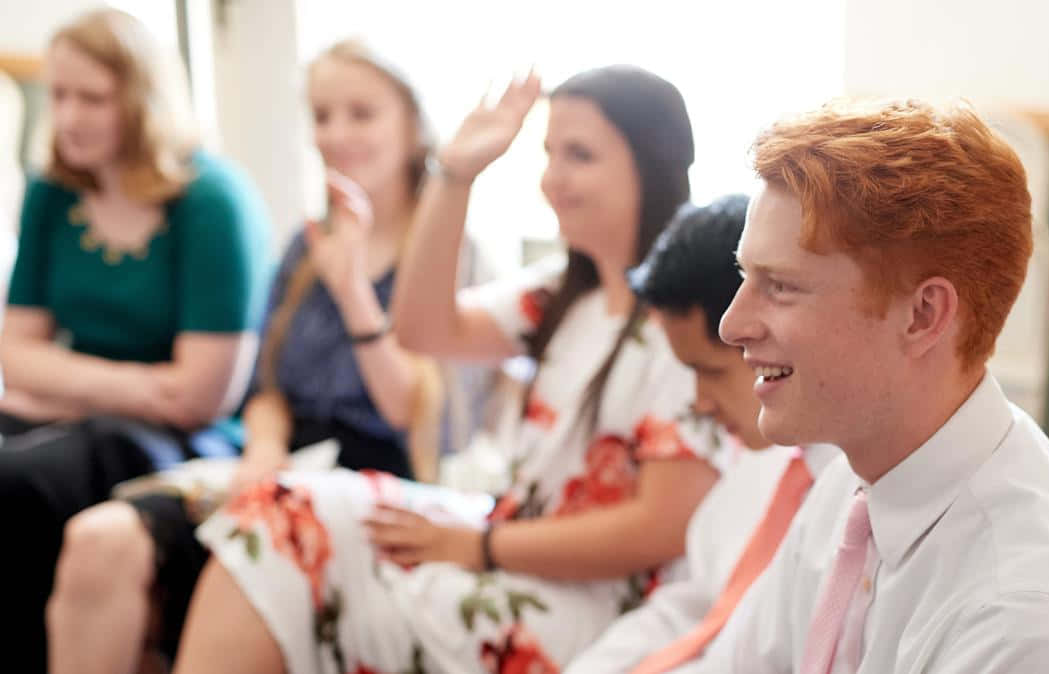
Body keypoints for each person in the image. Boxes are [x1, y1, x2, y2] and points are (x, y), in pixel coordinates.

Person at [173, 66, 730, 674]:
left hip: (580, 596)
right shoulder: (564, 295)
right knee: (273, 510)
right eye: (548, 154)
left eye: (580, 155)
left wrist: (478, 546)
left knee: (303, 570)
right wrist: (455, 174)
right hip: (503, 538)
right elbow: (421, 328)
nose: (552, 180)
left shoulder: (680, 321)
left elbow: (659, 527)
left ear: (651, 162)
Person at [693, 98, 1049, 672]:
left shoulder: (1034, 624)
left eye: (780, 286)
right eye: (744, 275)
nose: (732, 325)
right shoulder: (852, 485)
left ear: (924, 315)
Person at [43, 39, 447, 673]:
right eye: (321, 115)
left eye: (361, 114)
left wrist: (353, 292)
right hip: (277, 458)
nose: (336, 133)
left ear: (414, 126)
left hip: (381, 478)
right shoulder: (304, 246)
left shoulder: (448, 254)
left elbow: (417, 415)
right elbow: (266, 389)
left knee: (235, 570)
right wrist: (263, 451)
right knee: (99, 540)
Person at [0, 9, 271, 672]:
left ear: (143, 99)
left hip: (183, 439)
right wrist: (134, 386)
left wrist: (63, 379)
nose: (68, 117)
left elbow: (201, 396)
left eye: (92, 97)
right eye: (59, 96)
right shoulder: (52, 195)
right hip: (81, 414)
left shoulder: (211, 201)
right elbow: (14, 352)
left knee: (17, 482)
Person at [565, 194, 839, 673]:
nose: (700, 402)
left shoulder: (852, 499)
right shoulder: (753, 479)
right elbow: (684, 611)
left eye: (711, 371)